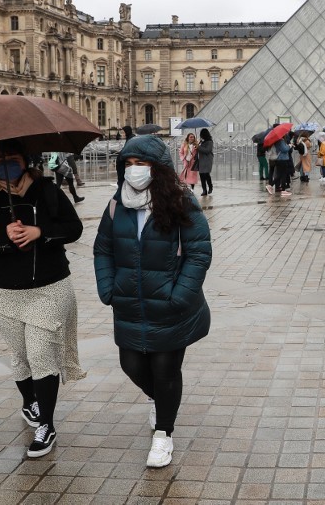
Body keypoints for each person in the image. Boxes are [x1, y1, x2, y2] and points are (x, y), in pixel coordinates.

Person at [93, 135, 211, 468]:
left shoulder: (180, 201)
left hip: (170, 303)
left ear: (157, 168)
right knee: (131, 364)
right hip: (129, 303)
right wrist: (108, 288)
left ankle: (163, 435)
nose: (134, 171)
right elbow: (103, 249)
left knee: (165, 369)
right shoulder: (117, 204)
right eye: (128, 164)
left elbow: (199, 252)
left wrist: (181, 294)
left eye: (140, 164)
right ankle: (160, 400)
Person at [0, 139, 84, 458]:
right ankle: (29, 402)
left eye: (12, 157)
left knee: (41, 354)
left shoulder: (47, 190)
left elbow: (74, 228)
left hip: (49, 287)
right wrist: (3, 238)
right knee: (21, 355)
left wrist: (39, 232)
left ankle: (46, 425)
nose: (5, 163)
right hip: (3, 293)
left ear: (25, 160)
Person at [196, 128, 214, 196]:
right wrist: (197, 146)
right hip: (201, 160)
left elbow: (207, 150)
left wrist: (199, 147)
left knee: (206, 174)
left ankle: (210, 187)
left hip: (207, 161)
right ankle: (204, 190)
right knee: (201, 175)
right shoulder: (201, 142)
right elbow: (199, 150)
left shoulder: (210, 142)